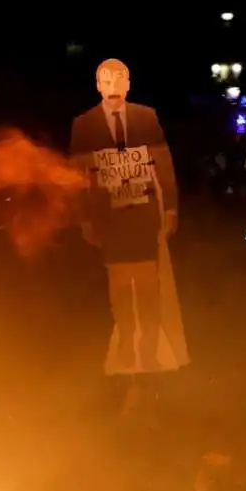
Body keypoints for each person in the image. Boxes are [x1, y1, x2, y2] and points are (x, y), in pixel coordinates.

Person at [69, 58, 188, 382]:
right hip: (110, 218)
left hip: (143, 214)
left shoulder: (145, 117)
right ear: (97, 85)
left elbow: (163, 163)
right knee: (120, 284)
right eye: (106, 82)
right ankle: (126, 340)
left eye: (118, 80)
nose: (113, 88)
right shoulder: (84, 124)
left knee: (148, 284)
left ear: (128, 84)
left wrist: (170, 208)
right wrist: (85, 218)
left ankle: (148, 346)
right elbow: (75, 176)